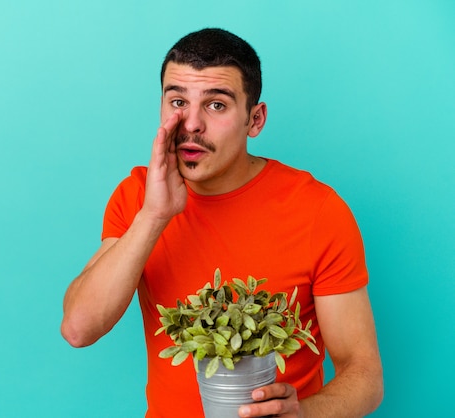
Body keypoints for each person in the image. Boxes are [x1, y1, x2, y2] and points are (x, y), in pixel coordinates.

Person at [61, 28, 383, 418]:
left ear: (255, 119)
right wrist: (154, 216)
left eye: (216, 105)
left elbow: (363, 374)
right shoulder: (137, 197)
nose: (191, 124)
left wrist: (303, 415)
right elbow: (79, 328)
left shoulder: (318, 211)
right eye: (177, 101)